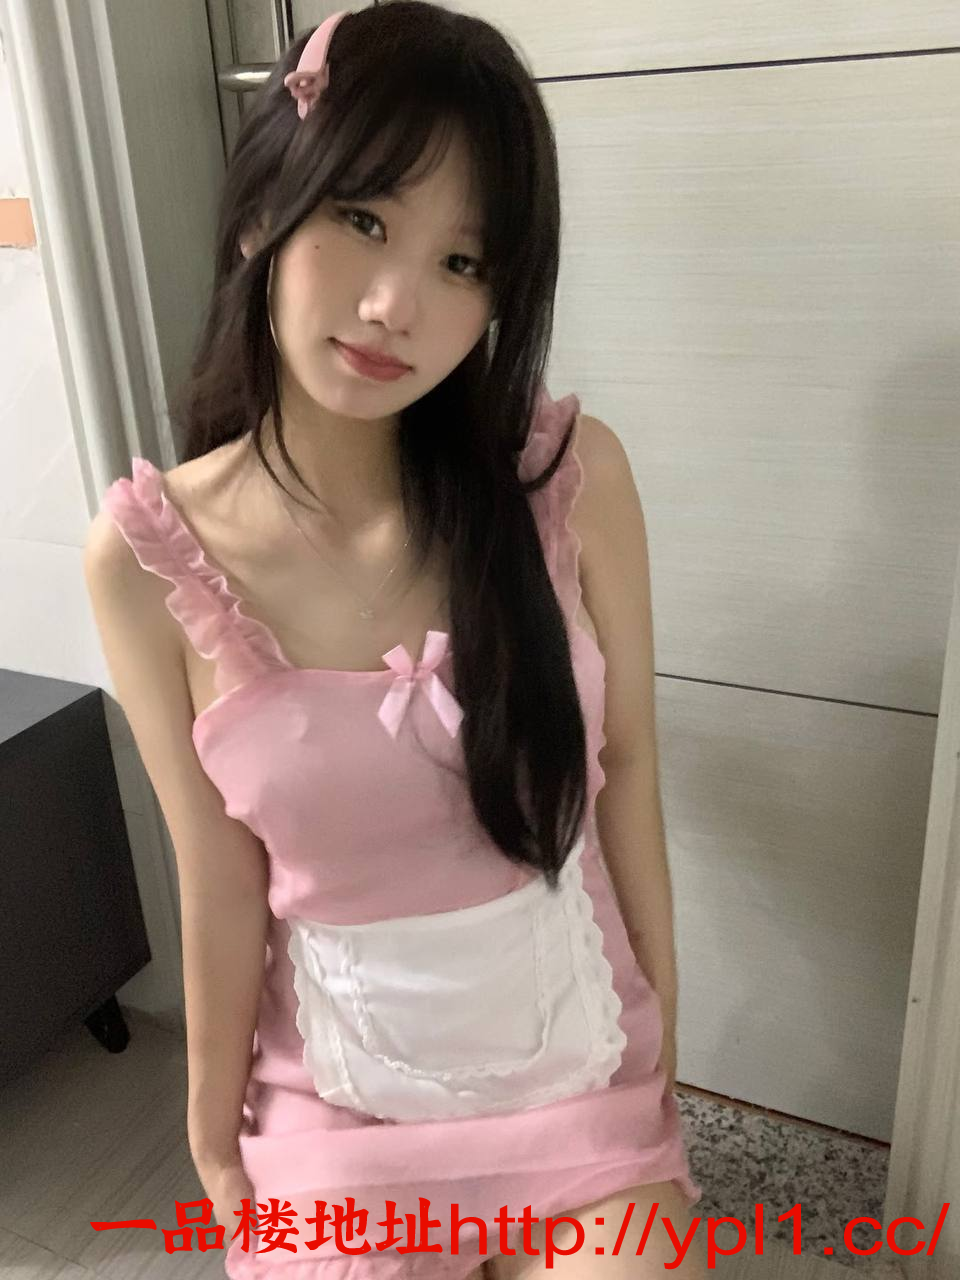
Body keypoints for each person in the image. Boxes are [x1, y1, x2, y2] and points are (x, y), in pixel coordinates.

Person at [83, 3, 706, 1276]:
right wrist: (210, 1127)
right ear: (262, 210)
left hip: (579, 1077)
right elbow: (218, 871)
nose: (391, 305)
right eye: (363, 219)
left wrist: (663, 1030)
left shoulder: (569, 478)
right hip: (337, 1113)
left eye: (461, 262)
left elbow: (628, 762)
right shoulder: (153, 561)